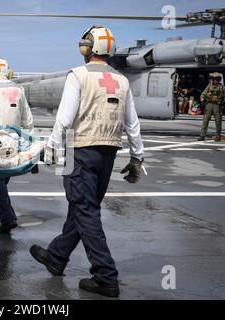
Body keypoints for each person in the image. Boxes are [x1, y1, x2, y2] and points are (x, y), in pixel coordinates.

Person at [29, 25, 144, 298]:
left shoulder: (77, 76)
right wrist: (138, 156)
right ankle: (56, 257)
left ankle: (106, 277)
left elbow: (65, 119)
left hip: (81, 150)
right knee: (83, 209)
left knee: (86, 212)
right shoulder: (122, 80)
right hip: (109, 153)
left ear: (87, 49)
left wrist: (51, 147)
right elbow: (132, 123)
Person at [0, 57, 34, 233]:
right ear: (8, 72)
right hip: (14, 140)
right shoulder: (19, 88)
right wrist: (29, 145)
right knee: (2, 178)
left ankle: (7, 217)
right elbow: (28, 119)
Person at [197, 72, 225, 141]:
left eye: (217, 79)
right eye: (214, 79)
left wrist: (223, 102)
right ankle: (202, 135)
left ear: (219, 79)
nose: (215, 80)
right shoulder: (209, 86)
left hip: (217, 105)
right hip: (209, 105)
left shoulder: (222, 87)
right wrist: (202, 101)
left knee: (218, 121)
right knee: (205, 121)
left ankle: (218, 136)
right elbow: (203, 94)